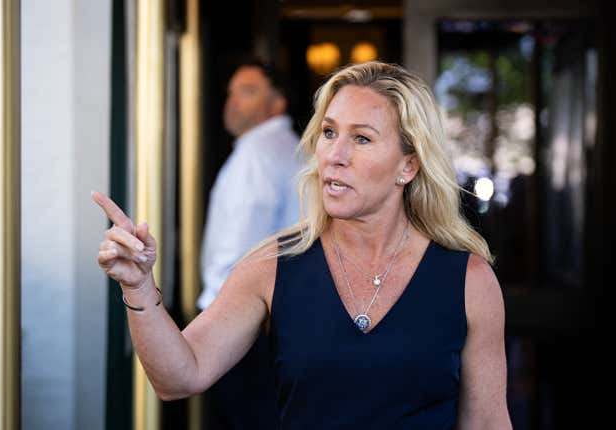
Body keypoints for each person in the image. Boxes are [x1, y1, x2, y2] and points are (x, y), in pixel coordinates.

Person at [93, 61, 512, 429]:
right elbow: (179, 377)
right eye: (329, 133)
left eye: (362, 138)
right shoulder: (273, 265)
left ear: (408, 165)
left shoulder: (468, 281)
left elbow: (489, 422)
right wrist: (138, 288)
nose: (335, 154)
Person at [197, 59, 300, 429]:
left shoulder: (258, 155)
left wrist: (211, 315)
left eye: (248, 91)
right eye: (231, 92)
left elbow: (238, 251)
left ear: (277, 103)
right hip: (274, 322)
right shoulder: (285, 148)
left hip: (243, 323)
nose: (233, 101)